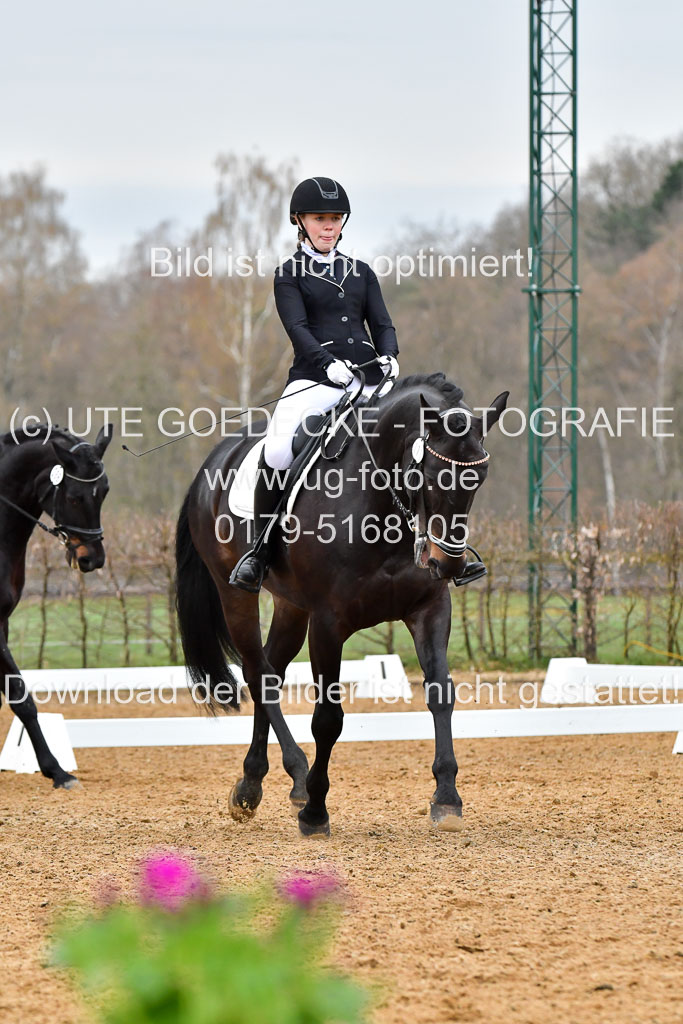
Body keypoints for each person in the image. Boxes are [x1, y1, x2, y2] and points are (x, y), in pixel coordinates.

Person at [229, 175, 399, 593]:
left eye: (336, 218)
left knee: (414, 443)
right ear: (300, 221)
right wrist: (328, 365)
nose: (329, 226)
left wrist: (391, 356)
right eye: (320, 218)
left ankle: (438, 547)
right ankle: (261, 549)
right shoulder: (289, 275)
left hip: (368, 381)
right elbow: (298, 329)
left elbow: (381, 323)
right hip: (315, 380)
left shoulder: (361, 273)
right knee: (278, 447)